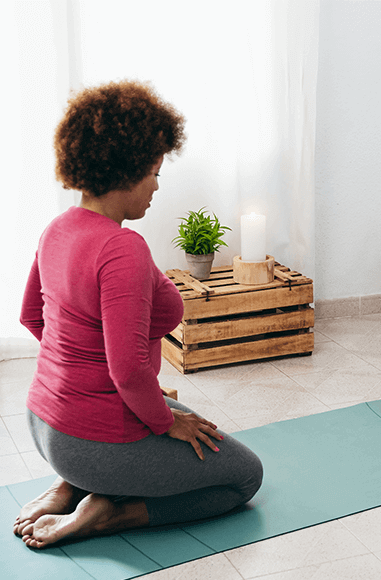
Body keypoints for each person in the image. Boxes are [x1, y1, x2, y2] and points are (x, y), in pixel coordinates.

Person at [14, 80, 263, 549]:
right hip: (91, 442)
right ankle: (110, 512)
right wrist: (163, 421)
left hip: (43, 423)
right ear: (125, 171)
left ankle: (72, 485)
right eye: (153, 173)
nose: (155, 186)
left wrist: (101, 389)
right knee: (245, 478)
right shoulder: (121, 247)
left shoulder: (58, 228)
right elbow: (127, 368)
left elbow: (33, 317)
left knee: (186, 423)